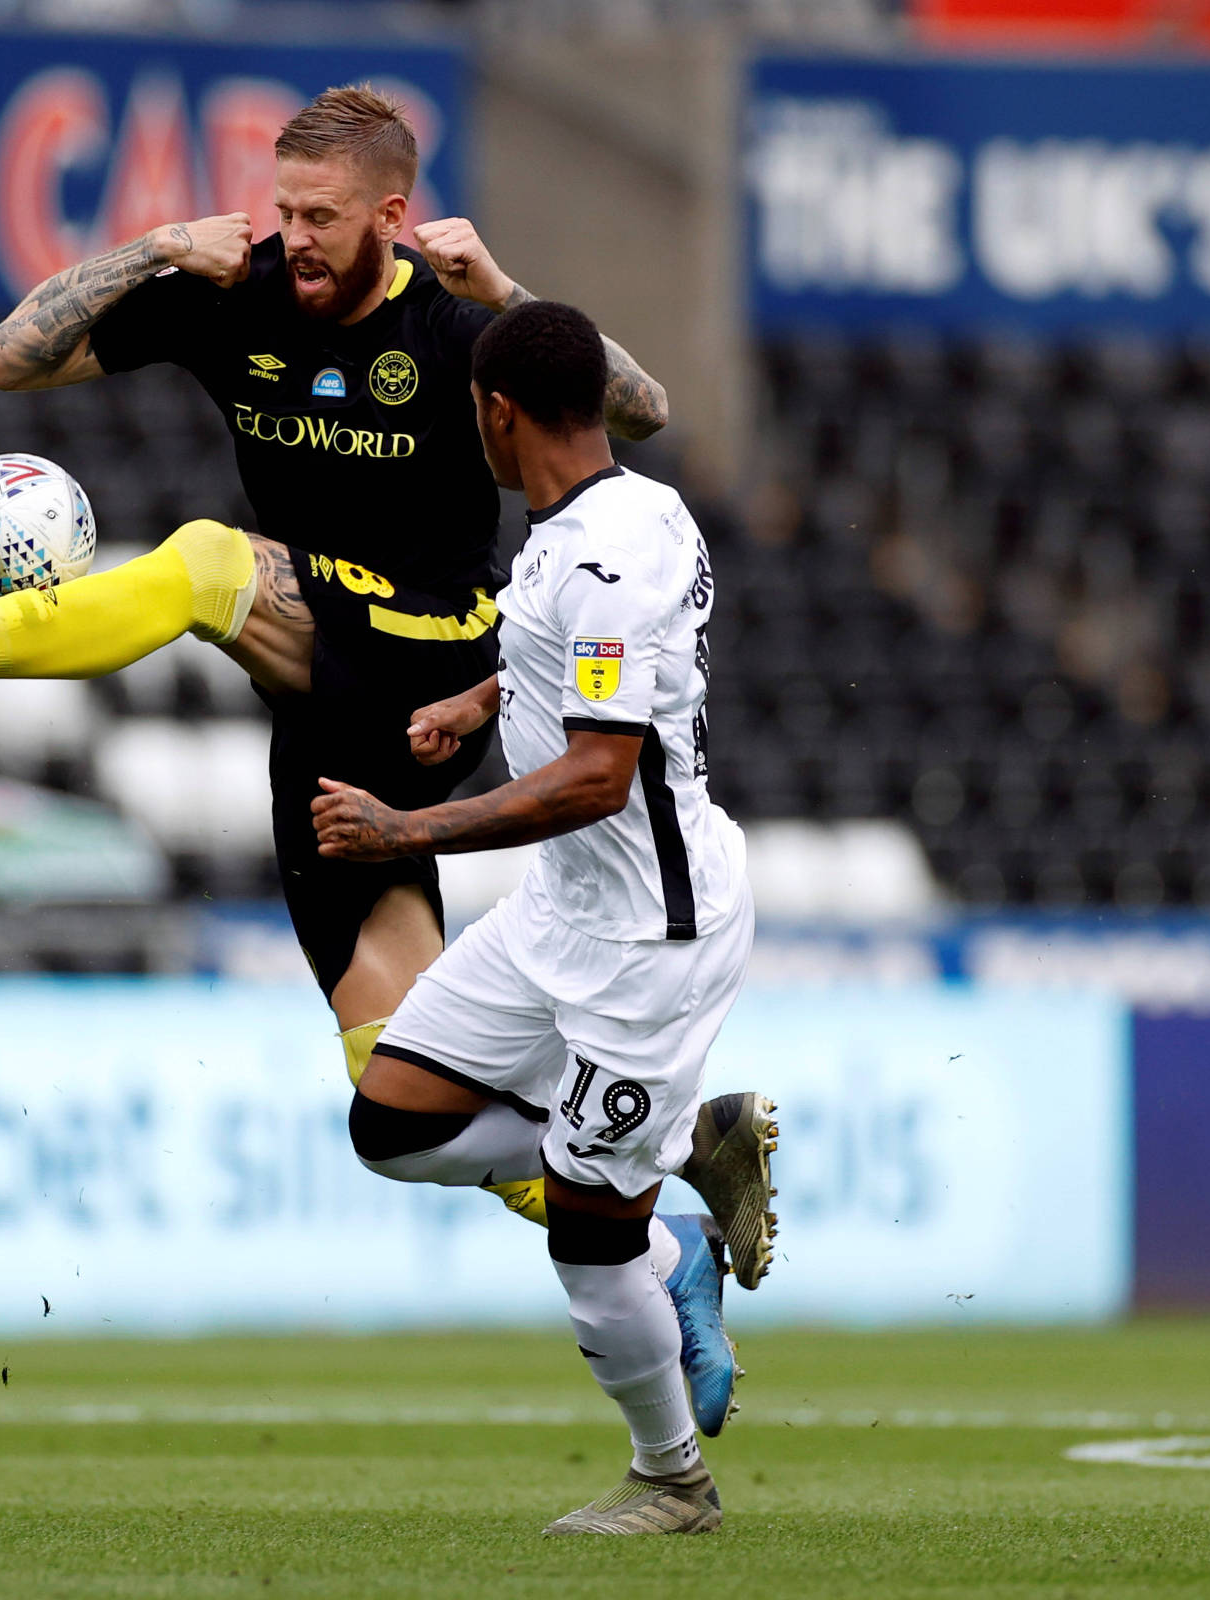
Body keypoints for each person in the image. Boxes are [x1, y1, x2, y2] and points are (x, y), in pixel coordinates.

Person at [0, 84, 670, 1229]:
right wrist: (154, 248)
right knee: (404, 1090)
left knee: (209, 562)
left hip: (435, 648)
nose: (295, 237)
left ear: (392, 216)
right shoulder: (242, 296)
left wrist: (509, 295)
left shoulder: (460, 327)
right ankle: (669, 1241)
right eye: (284, 210)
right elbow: (7, 358)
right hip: (331, 718)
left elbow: (643, 412)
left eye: (322, 216)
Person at [314, 300, 772, 1535]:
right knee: (392, 1121)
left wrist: (406, 829)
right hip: (558, 913)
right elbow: (574, 657)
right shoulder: (616, 511)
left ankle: (671, 1477)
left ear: (497, 411)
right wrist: (480, 699)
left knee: (585, 1229)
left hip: (646, 940)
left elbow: (597, 774)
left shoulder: (601, 556)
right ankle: (680, 1170)